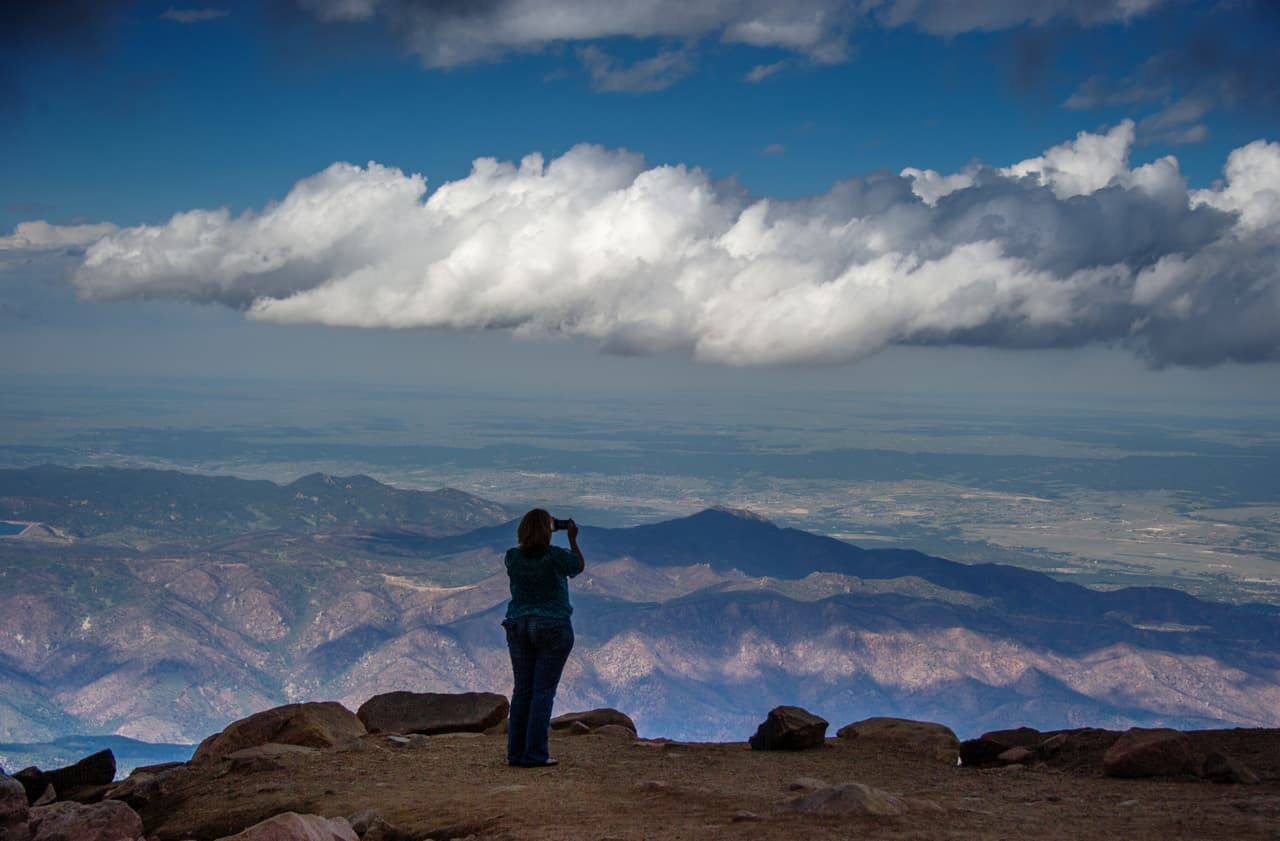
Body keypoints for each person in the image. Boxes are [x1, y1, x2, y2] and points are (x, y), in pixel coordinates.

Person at [501, 507, 585, 768]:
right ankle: (536, 754)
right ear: (548, 531)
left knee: (522, 690)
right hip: (552, 626)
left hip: (518, 625)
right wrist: (572, 538)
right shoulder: (555, 557)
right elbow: (578, 566)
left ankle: (515, 753)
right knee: (542, 692)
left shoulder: (512, 558)